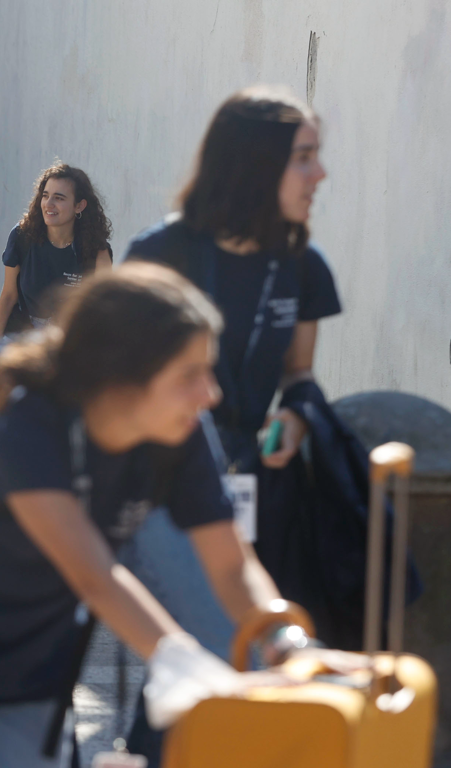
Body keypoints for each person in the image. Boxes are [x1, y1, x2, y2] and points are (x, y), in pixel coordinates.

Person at [0, 263, 319, 767]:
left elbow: (231, 566)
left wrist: (288, 644)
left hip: (32, 663)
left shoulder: (182, 431)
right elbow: (93, 572)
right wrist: (179, 659)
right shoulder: (27, 421)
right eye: (189, 375)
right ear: (120, 376)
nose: (211, 394)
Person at [120, 85, 340, 761]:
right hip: (158, 481)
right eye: (304, 157)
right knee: (218, 646)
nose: (320, 174)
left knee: (203, 658)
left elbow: (299, 375)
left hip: (249, 482)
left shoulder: (302, 264)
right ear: (254, 163)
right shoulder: (163, 252)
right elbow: (115, 381)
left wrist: (297, 420)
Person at [0, 163, 112, 340]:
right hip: (22, 340)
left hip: (70, 342)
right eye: (45, 196)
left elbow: (104, 308)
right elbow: (9, 295)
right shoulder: (21, 237)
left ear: (79, 206)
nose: (49, 204)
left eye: (59, 198)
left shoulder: (97, 250)